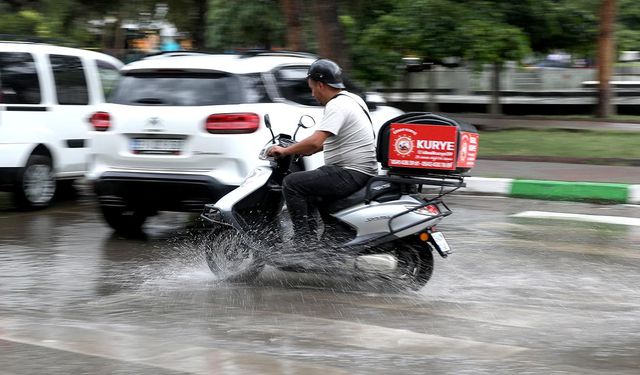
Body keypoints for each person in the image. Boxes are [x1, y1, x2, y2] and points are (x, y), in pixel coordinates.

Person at [267, 58, 378, 241]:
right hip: (360, 171)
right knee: (309, 185)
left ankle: (303, 242)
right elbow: (325, 143)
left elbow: (316, 141)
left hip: (350, 172)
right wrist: (300, 149)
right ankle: (323, 241)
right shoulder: (352, 99)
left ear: (320, 85)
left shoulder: (337, 105)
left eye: (311, 88)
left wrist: (285, 151)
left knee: (292, 183)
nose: (312, 94)